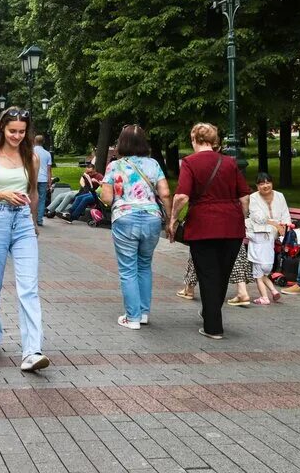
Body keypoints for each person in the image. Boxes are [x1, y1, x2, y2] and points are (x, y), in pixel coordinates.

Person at [0, 108, 49, 372]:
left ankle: (32, 351)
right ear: (2, 129)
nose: (17, 136)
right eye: (12, 131)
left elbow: (32, 193)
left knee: (29, 286)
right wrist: (3, 194)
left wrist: (33, 220)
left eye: (22, 131)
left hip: (24, 224)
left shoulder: (32, 158)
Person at [168, 123, 251, 340]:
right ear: (214, 140)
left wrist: (174, 219)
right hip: (232, 227)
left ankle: (213, 326)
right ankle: (209, 312)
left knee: (207, 274)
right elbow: (244, 196)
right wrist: (240, 216)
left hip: (203, 226)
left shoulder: (189, 162)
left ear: (194, 139)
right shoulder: (229, 163)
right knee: (222, 273)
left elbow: (182, 196)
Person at [99, 125, 171, 330]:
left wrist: (107, 195)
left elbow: (107, 197)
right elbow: (165, 193)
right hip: (151, 218)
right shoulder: (153, 164)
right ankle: (143, 313)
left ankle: (132, 318)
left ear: (122, 142)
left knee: (128, 269)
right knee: (145, 265)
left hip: (125, 218)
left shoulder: (114, 166)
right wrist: (170, 219)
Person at [246, 172, 289, 304]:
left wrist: (284, 229)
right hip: (262, 231)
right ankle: (272, 291)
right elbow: (257, 218)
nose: (265, 186)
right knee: (261, 270)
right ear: (257, 186)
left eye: (267, 182)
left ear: (272, 183)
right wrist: (275, 223)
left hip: (274, 233)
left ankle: (265, 296)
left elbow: (286, 215)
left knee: (259, 271)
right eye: (261, 183)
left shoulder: (279, 196)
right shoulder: (253, 198)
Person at [32, 136, 52, 226]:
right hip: (43, 179)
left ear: (34, 141)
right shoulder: (47, 154)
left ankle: (31, 219)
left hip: (32, 178)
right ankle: (39, 219)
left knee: (31, 198)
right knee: (41, 199)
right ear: (43, 142)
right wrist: (49, 182)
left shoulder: (31, 151)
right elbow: (49, 169)